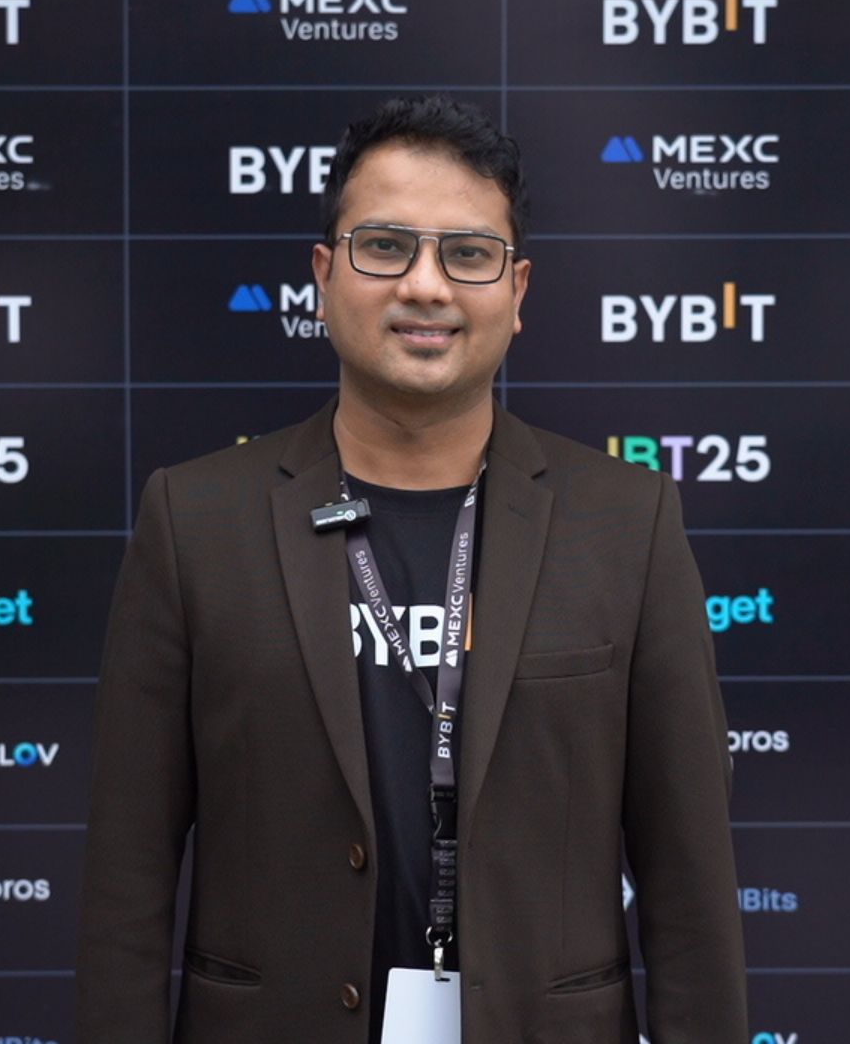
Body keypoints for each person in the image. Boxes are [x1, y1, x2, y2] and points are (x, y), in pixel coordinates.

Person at [77, 95, 745, 1043]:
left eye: (467, 254)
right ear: (323, 275)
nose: (425, 286)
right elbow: (127, 876)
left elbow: (690, 882)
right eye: (385, 247)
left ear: (517, 290)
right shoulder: (194, 521)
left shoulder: (627, 523)